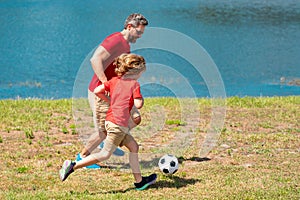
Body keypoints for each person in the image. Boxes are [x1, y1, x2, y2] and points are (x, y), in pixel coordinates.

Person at [59, 53, 157, 190]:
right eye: (141, 72)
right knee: (105, 154)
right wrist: (139, 100)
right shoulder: (134, 84)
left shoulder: (114, 81)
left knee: (134, 147)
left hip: (110, 122)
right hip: (118, 126)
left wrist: (111, 101)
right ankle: (73, 165)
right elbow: (138, 104)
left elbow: (98, 90)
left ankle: (139, 181)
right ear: (135, 72)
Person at [80, 13, 149, 159]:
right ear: (130, 27)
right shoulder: (115, 40)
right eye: (138, 32)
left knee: (134, 118)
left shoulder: (125, 45)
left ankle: (111, 142)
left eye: (142, 33)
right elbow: (95, 59)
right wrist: (106, 84)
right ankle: (83, 157)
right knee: (103, 130)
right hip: (100, 91)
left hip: (116, 91)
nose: (140, 36)